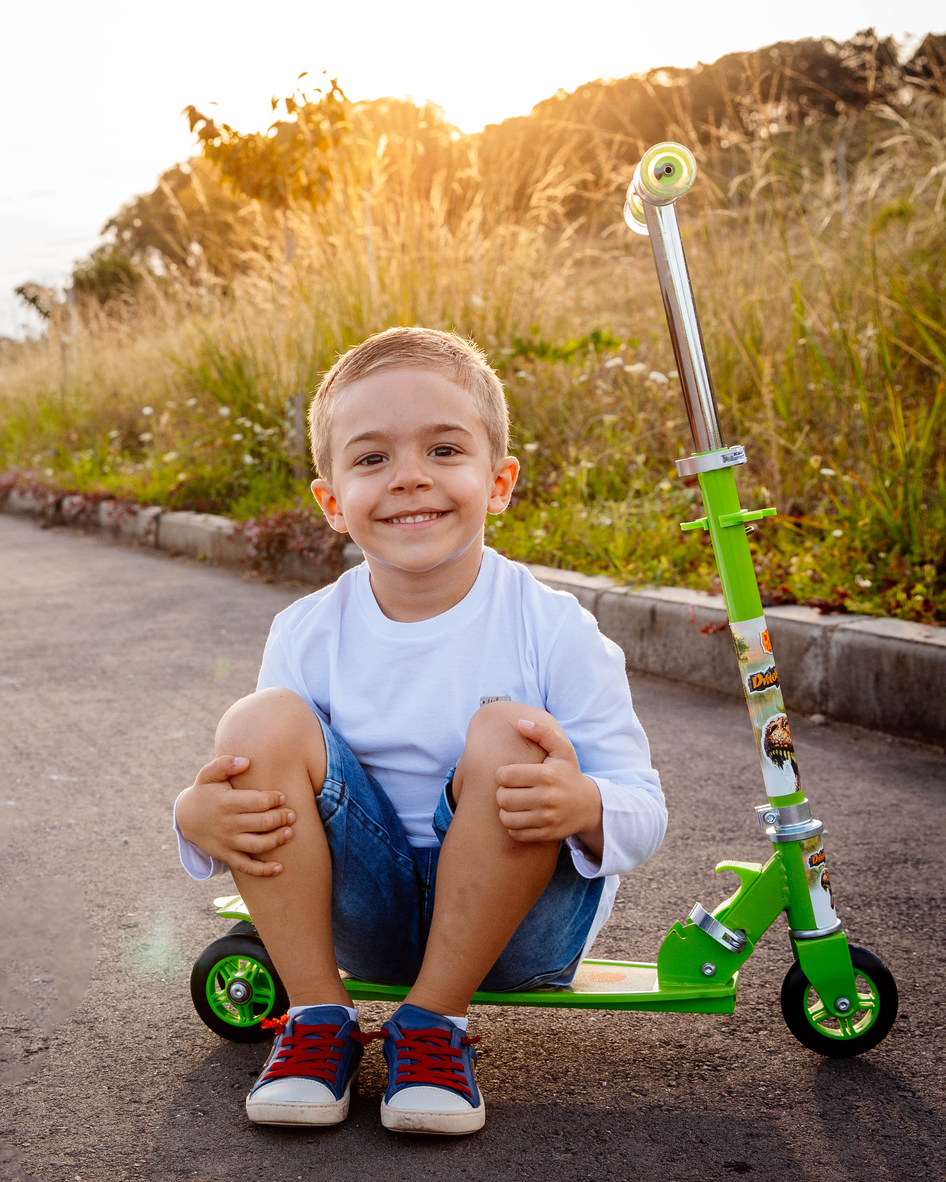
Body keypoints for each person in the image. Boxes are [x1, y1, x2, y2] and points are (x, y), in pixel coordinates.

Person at [174, 326, 666, 1136]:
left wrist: (582, 805)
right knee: (260, 721)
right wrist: (195, 819)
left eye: (443, 450)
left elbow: (643, 810)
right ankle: (317, 1021)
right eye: (372, 458)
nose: (409, 477)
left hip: (517, 932)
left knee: (512, 734)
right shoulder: (307, 631)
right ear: (333, 503)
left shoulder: (553, 628)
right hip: (359, 922)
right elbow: (256, 776)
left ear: (498, 483)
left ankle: (435, 1025)